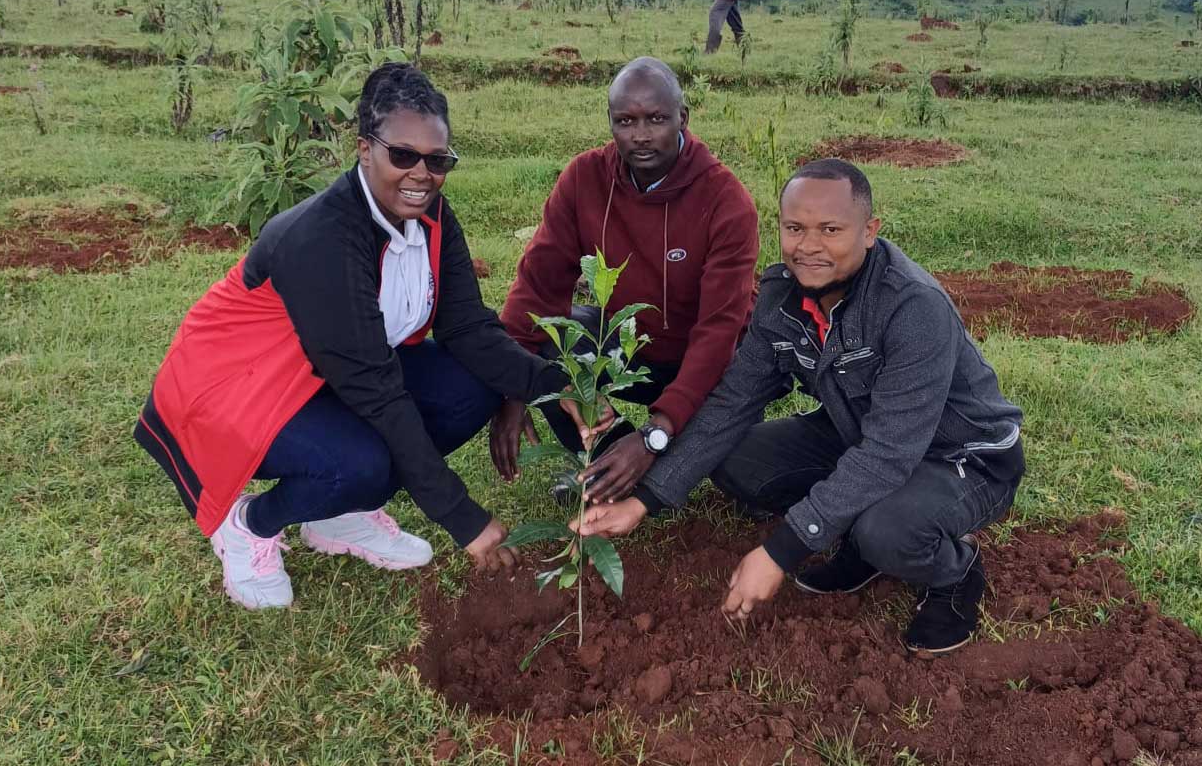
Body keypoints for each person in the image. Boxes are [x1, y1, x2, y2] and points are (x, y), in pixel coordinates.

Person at [134, 63, 573, 610]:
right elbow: (379, 394)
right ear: (365, 149)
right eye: (403, 155)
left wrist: (559, 389)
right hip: (235, 389)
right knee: (363, 462)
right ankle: (251, 523)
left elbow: (467, 329)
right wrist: (465, 518)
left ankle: (338, 516)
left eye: (438, 160)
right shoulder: (322, 238)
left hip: (325, 375)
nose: (422, 174)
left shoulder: (433, 216)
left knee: (473, 387)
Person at [577, 159, 1025, 654]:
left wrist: (778, 552)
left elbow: (889, 454)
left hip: (960, 456)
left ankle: (954, 573)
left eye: (830, 229)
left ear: (870, 231)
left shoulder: (911, 308)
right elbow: (731, 403)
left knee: (888, 530)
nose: (809, 246)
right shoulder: (782, 297)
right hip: (856, 431)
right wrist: (647, 499)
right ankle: (858, 528)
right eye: (795, 228)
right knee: (736, 459)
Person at [495, 57, 759, 504]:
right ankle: (608, 462)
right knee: (551, 343)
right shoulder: (584, 179)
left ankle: (651, 457)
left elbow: (719, 331)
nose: (640, 135)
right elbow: (539, 284)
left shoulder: (725, 200)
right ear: (611, 123)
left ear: (682, 118)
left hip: (711, 362)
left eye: (656, 119)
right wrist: (510, 386)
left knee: (740, 468)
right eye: (626, 121)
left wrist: (656, 431)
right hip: (631, 347)